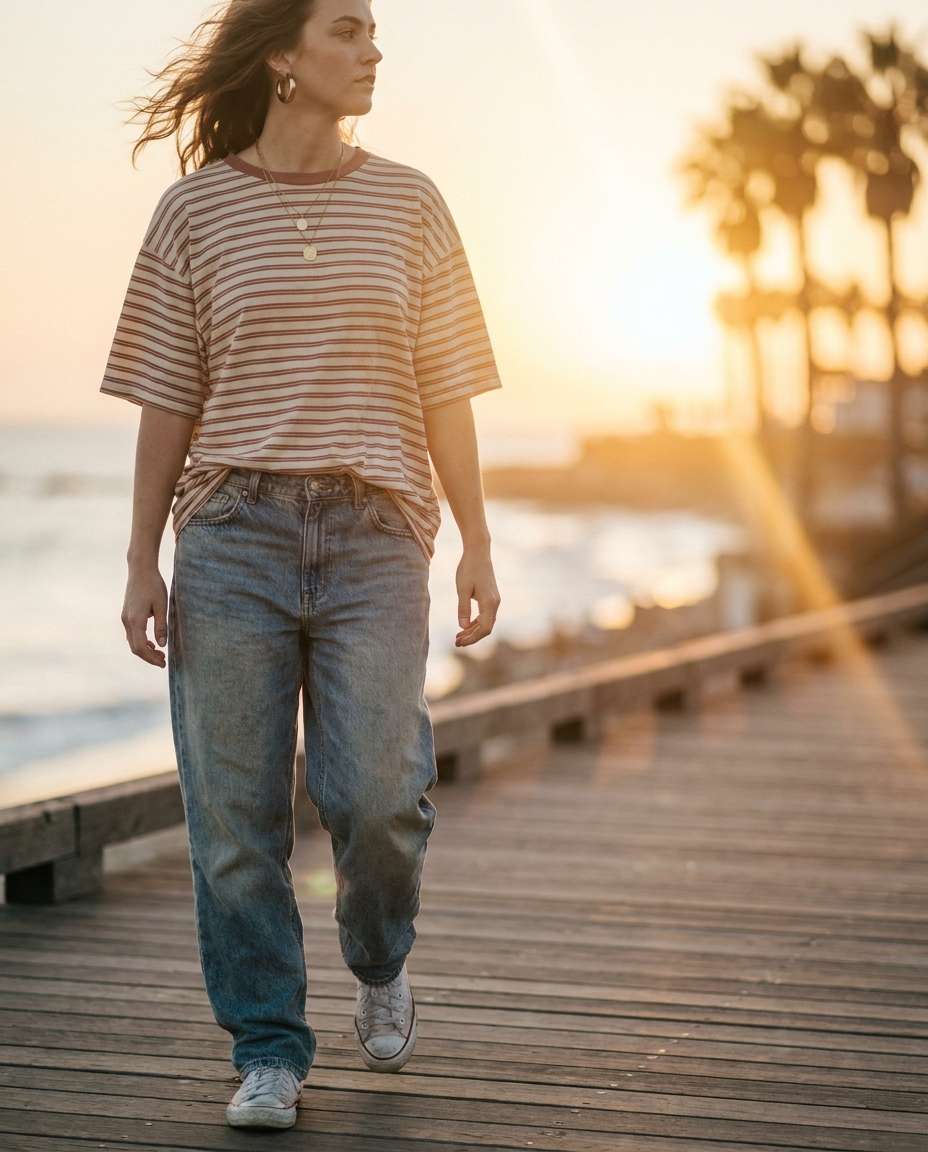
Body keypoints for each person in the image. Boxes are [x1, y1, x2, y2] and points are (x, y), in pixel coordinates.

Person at [99, 0, 502, 1131]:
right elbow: (167, 397)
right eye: (347, 28)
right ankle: (268, 1045)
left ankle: (377, 955)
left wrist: (476, 538)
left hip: (377, 535)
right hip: (233, 536)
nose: (373, 48)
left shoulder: (411, 201)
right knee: (233, 821)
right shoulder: (194, 212)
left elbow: (448, 388)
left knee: (376, 798)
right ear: (282, 56)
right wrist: (142, 559)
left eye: (373, 30)